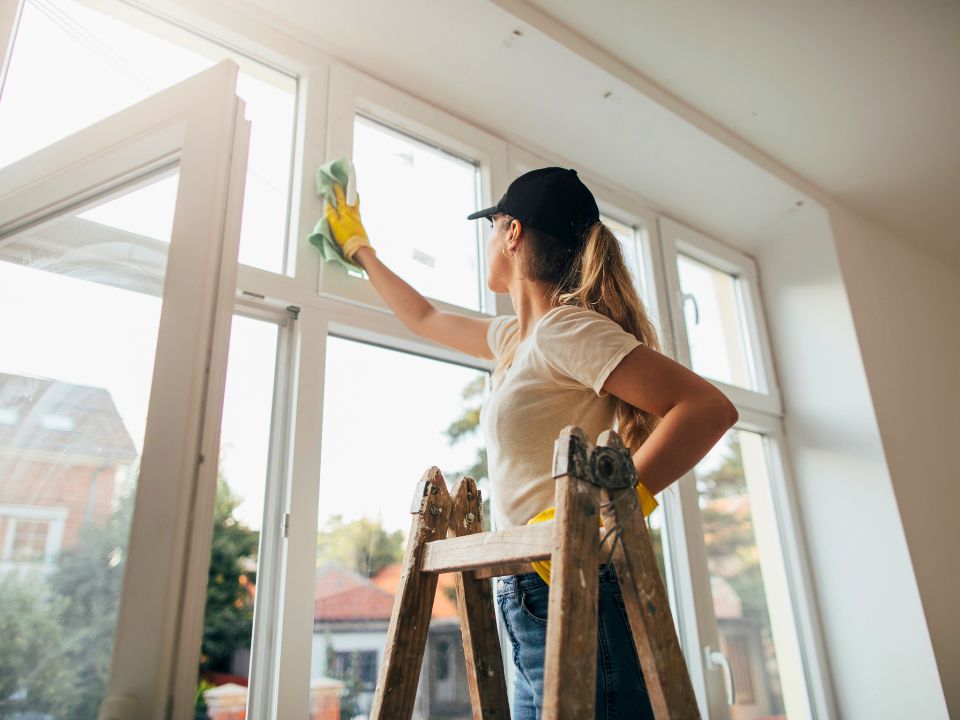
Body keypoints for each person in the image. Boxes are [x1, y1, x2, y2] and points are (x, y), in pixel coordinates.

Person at [324, 166, 738, 719]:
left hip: (577, 588)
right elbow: (423, 316)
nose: (490, 240)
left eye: (492, 227)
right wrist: (360, 248)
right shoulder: (514, 339)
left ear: (513, 232)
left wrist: (607, 511)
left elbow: (708, 409)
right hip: (526, 594)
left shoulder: (567, 330)